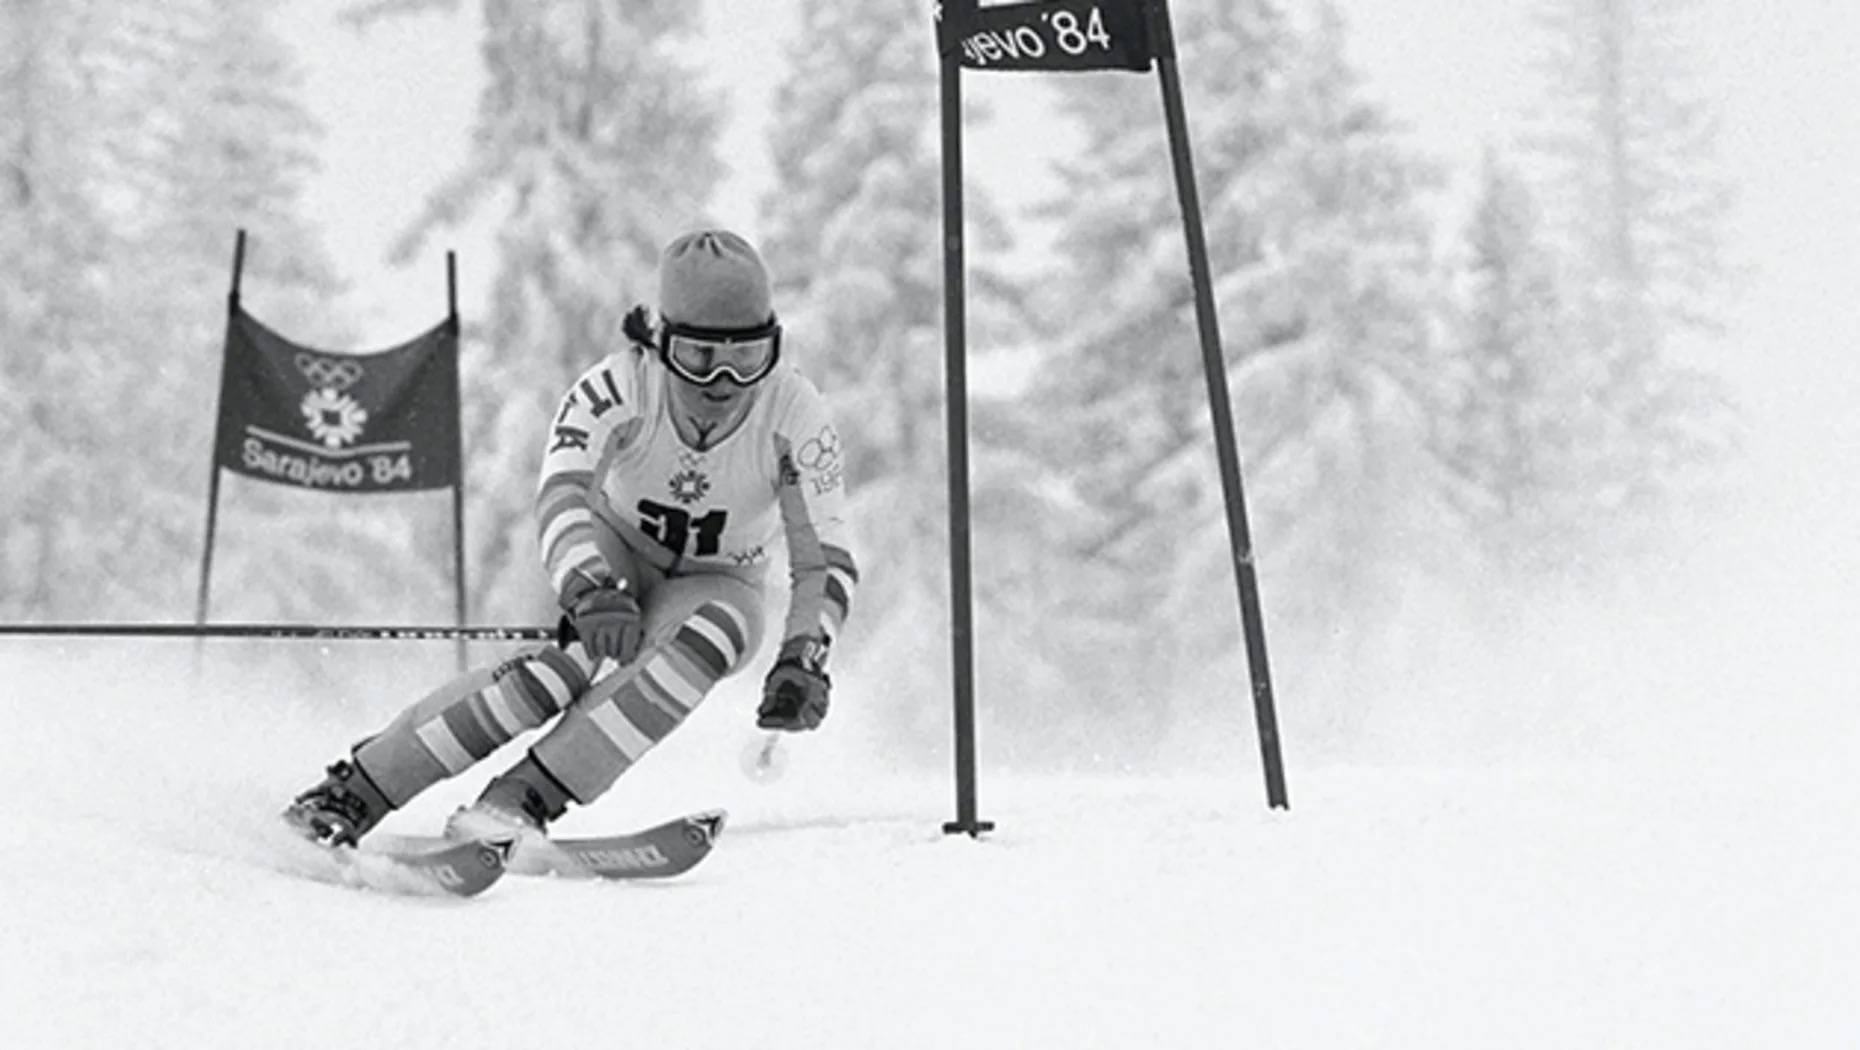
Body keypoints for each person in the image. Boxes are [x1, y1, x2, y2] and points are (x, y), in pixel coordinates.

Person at [283, 229, 858, 847]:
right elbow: (562, 496)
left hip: (720, 580)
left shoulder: (794, 413)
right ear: (661, 343)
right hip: (615, 555)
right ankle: (356, 789)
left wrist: (805, 655)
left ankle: (519, 801)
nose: (722, 381)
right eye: (698, 357)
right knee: (561, 668)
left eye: (747, 359)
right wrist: (588, 588)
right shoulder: (618, 388)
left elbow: (823, 558)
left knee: (704, 640)